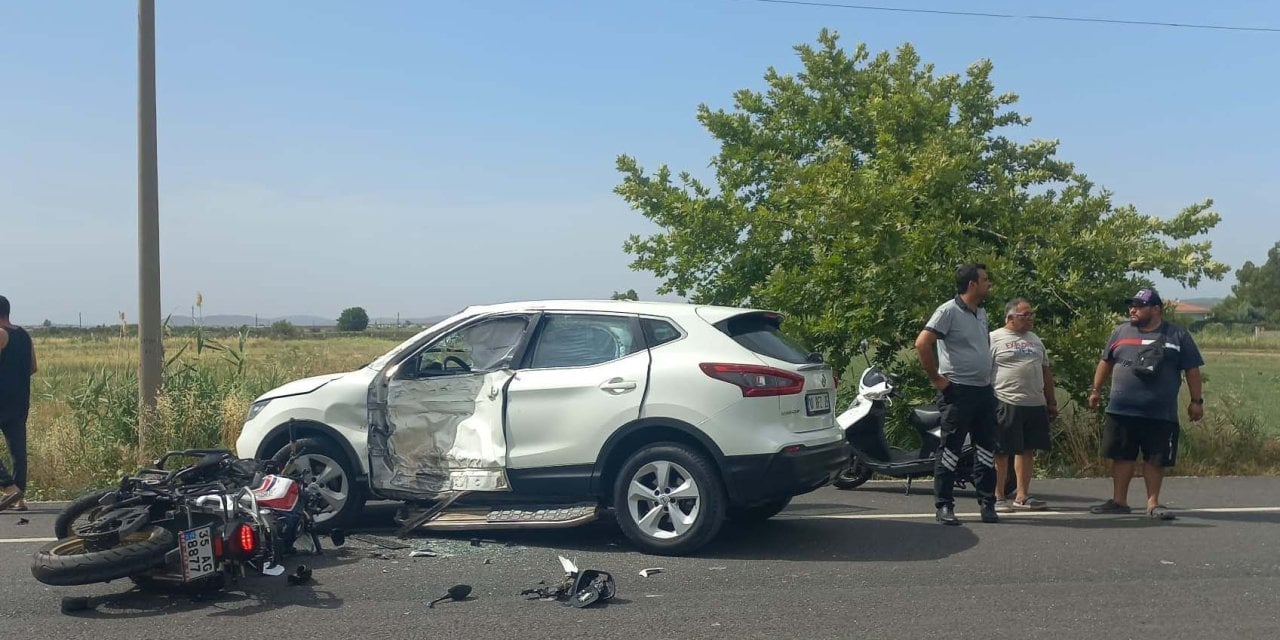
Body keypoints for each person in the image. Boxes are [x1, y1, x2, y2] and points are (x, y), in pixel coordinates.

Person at [1088, 287, 1203, 520]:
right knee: (1122, 456)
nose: (1133, 309)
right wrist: (1096, 390)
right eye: (1132, 305)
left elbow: (1192, 369)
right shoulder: (1121, 331)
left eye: (1139, 306)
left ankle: (1153, 503)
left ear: (1156, 309)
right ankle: (1119, 501)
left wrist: (1196, 401)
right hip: (1121, 409)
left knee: (1155, 458)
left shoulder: (1177, 335)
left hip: (1160, 412)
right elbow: (1106, 362)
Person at [915, 263, 999, 525]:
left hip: (983, 391)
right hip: (959, 391)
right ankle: (944, 506)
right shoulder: (948, 311)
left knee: (985, 448)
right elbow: (922, 343)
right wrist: (937, 380)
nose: (989, 284)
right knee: (951, 449)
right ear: (972, 284)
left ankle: (987, 502)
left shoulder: (981, 312)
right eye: (985, 279)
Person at [989, 298, 1057, 512]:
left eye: (1031, 314)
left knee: (1027, 450)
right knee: (1001, 451)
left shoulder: (1035, 340)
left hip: (1034, 403)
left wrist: (1051, 401)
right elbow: (983, 370)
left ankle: (1022, 495)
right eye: (1025, 315)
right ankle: (998, 496)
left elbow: (1046, 370)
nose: (1031, 319)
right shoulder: (994, 338)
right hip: (1006, 400)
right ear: (1010, 318)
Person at [0, 294, 37, 512]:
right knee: (18, 451)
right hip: (20, 400)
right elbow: (33, 367)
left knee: (17, 451)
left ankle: (9, 487)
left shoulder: (0, 334)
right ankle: (19, 498)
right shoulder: (24, 335)